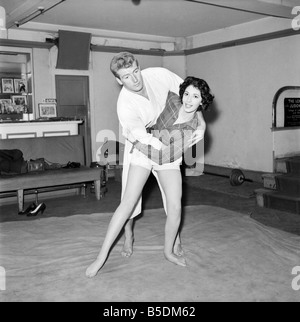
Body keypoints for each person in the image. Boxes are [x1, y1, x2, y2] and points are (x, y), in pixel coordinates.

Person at [85, 53, 207, 278]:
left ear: (139, 67)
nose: (135, 79)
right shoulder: (125, 105)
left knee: (175, 205)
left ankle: (170, 247)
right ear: (119, 80)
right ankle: (109, 250)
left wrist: (201, 122)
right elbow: (141, 135)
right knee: (128, 202)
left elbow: (189, 91)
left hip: (167, 143)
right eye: (126, 77)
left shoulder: (157, 75)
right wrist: (163, 146)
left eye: (135, 72)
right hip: (141, 144)